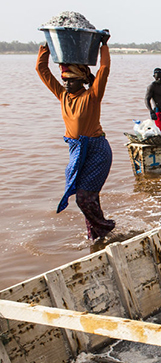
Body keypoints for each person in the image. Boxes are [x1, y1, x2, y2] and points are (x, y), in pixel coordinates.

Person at [36, 31, 116, 240]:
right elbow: (41, 70)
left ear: (81, 80)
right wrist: (47, 46)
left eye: (71, 80)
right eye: (65, 80)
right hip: (77, 150)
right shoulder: (62, 95)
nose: (66, 84)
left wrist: (103, 46)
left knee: (83, 198)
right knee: (89, 197)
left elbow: (104, 70)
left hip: (97, 151)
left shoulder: (92, 96)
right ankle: (96, 238)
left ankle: (106, 227)